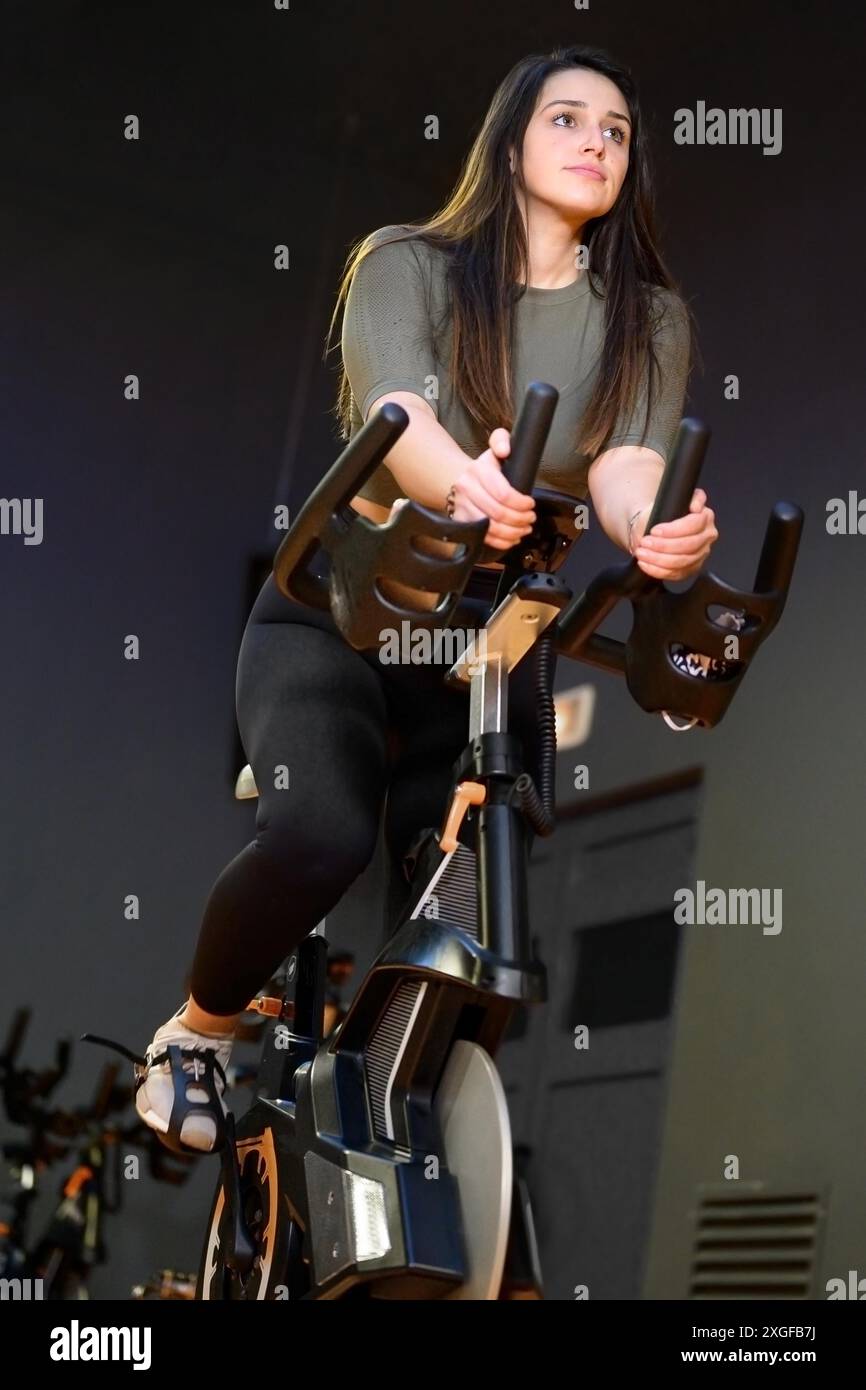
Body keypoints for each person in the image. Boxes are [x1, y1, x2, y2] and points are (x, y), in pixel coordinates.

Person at [102, 43, 719, 1154]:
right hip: (347, 601)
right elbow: (402, 410)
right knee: (323, 831)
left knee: (470, 896)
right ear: (511, 143)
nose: (595, 143)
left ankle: (383, 1125)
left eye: (616, 131)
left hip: (483, 631)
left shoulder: (648, 321)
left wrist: (656, 528)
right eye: (567, 120)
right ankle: (196, 1030)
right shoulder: (409, 263)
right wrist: (464, 485)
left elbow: (626, 464)